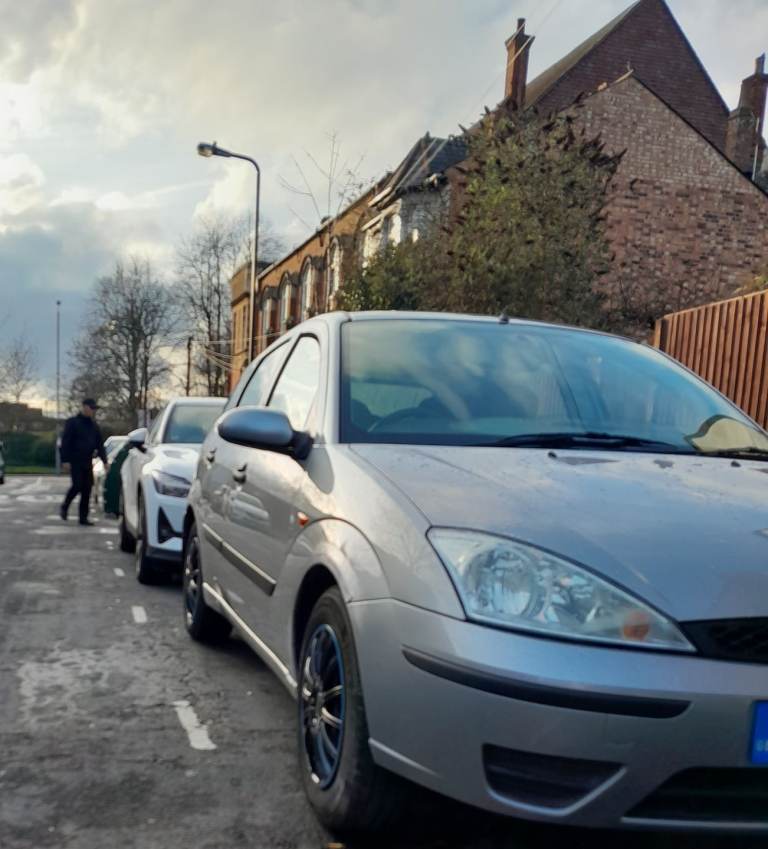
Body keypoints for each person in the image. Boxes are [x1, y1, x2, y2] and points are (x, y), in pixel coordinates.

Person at [59, 398, 108, 526]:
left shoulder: (93, 426)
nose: (92, 411)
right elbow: (65, 442)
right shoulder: (73, 423)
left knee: (87, 489)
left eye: (94, 409)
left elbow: (99, 445)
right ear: (84, 407)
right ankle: (65, 506)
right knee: (77, 485)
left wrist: (105, 461)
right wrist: (65, 460)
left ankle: (83, 517)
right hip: (75, 460)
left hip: (87, 461)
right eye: (91, 408)